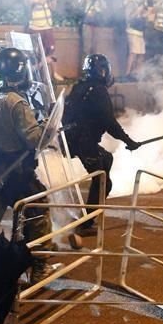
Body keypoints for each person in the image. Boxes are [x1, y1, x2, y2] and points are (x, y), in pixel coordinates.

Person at [0, 48, 58, 283]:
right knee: (37, 212)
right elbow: (33, 139)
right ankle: (39, 265)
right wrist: (47, 125)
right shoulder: (17, 103)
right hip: (17, 172)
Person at [63, 54, 140, 238]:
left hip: (74, 138)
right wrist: (128, 141)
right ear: (102, 71)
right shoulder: (97, 90)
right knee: (102, 180)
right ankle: (85, 224)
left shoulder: (80, 86)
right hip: (83, 140)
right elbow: (109, 122)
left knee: (107, 159)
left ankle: (87, 217)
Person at [24, 0, 61, 81]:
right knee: (38, 55)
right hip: (36, 29)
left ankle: (53, 74)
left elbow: (53, 7)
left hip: (47, 28)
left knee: (50, 51)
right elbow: (40, 2)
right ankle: (37, 76)